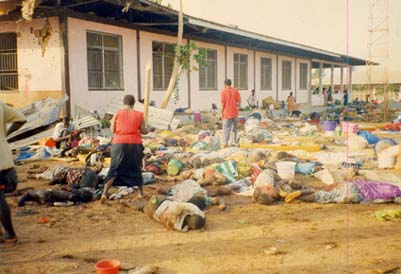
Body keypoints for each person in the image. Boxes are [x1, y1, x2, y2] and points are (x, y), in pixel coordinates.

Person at [101, 95, 148, 202]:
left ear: (123, 103)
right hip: (134, 143)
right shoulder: (140, 115)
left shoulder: (117, 113)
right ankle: (140, 193)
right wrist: (149, 130)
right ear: (134, 103)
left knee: (114, 168)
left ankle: (104, 193)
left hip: (119, 142)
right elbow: (143, 131)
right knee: (136, 167)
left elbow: (112, 129)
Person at [0, 101, 26, 244]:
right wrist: (4, 134)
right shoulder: (0, 105)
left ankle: (10, 234)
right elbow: (21, 119)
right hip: (5, 160)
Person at [142, 195, 206, 232]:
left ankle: (143, 203)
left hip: (161, 201)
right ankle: (143, 206)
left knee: (148, 204)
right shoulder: (179, 227)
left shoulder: (185, 207)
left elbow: (196, 210)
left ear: (193, 214)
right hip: (153, 213)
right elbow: (186, 228)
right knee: (145, 208)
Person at [221, 79, 241, 147]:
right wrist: (237, 108)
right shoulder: (236, 90)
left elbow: (223, 104)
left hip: (227, 113)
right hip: (235, 113)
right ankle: (235, 141)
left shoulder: (223, 92)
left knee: (226, 128)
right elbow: (239, 101)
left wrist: (222, 113)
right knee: (235, 128)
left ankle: (225, 143)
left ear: (225, 84)